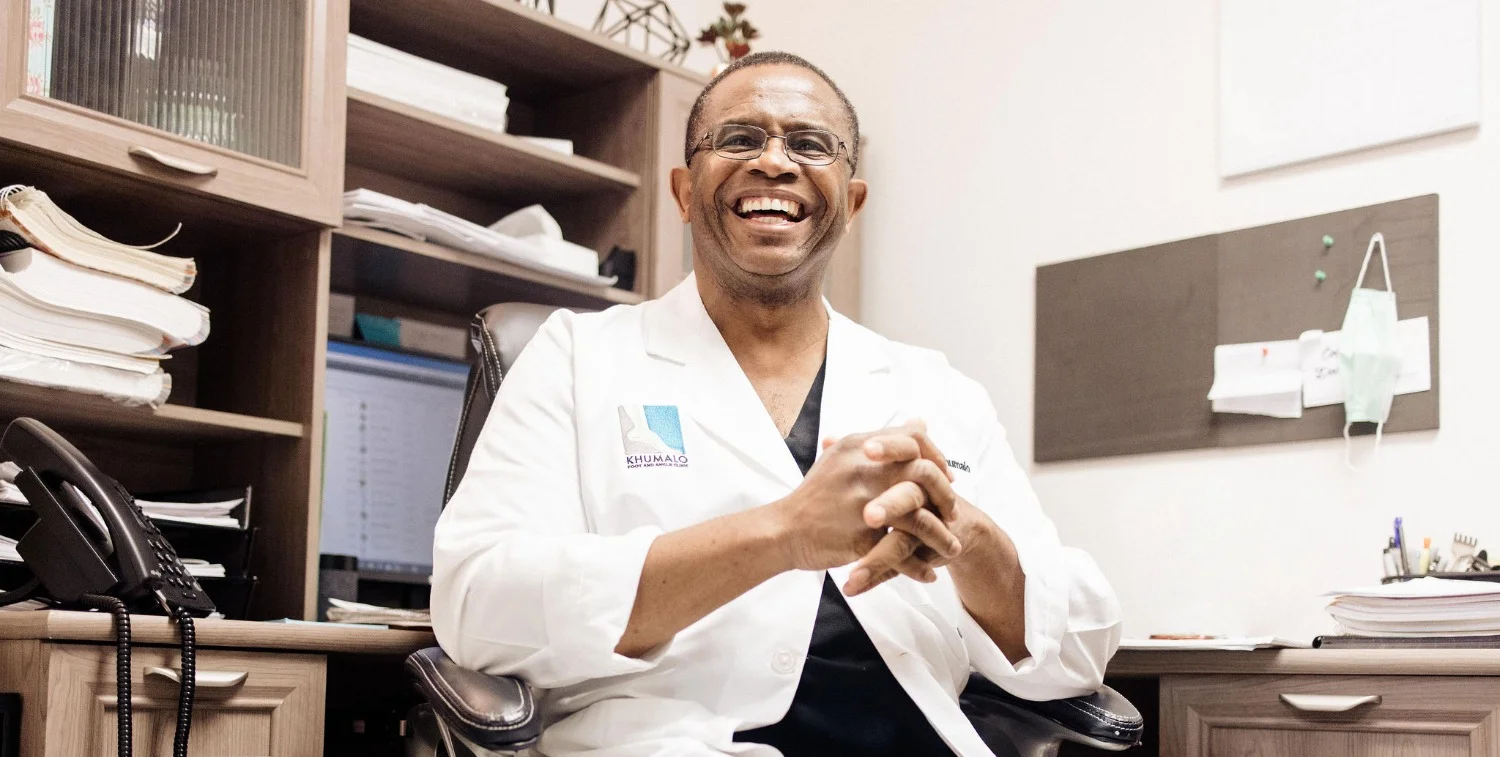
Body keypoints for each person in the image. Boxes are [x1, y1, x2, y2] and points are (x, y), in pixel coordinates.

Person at [431, 51, 1120, 757]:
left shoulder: (936, 389)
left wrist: (963, 535)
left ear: (851, 203)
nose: (774, 162)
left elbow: (1079, 646)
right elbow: (476, 602)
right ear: (685, 192)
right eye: (738, 138)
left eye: (810, 144)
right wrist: (780, 534)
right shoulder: (576, 358)